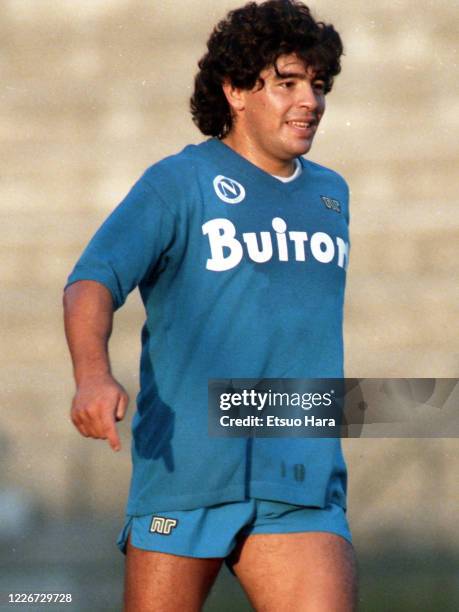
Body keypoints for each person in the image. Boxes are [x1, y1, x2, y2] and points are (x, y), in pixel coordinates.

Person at [63, 1, 358, 610]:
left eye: (318, 85)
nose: (310, 101)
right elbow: (91, 281)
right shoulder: (179, 183)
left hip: (298, 476)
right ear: (235, 91)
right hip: (187, 471)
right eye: (286, 83)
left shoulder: (333, 193)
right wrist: (92, 375)